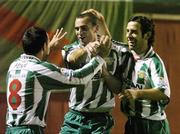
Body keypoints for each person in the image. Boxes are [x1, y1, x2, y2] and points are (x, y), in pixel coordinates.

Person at [5, 26, 106, 134]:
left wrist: (47, 48)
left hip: (10, 130)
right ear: (44, 46)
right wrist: (99, 58)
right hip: (29, 130)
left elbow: (36, 64)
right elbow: (79, 77)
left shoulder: (13, 66)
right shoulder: (39, 70)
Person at [103, 16, 171, 134]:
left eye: (134, 32)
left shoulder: (153, 62)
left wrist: (137, 93)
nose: (128, 35)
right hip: (132, 123)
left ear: (147, 35)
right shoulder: (126, 56)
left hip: (152, 125)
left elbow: (163, 92)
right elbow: (107, 40)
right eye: (127, 31)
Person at [60, 9, 117, 134]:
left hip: (100, 119)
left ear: (96, 29)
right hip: (75, 116)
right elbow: (73, 58)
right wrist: (86, 49)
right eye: (77, 29)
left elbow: (108, 42)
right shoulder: (69, 48)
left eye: (84, 28)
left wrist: (101, 19)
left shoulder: (108, 51)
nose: (79, 33)